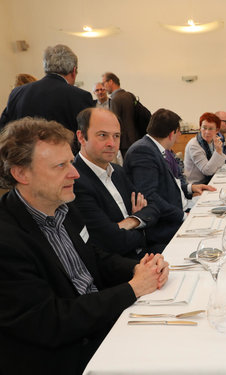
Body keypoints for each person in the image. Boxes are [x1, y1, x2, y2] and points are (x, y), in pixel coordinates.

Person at [0, 117, 169, 375]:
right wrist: (132, 289)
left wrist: (138, 267)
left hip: (98, 322)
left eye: (71, 161)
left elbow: (95, 257)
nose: (75, 173)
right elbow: (51, 321)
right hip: (66, 355)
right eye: (60, 166)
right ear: (21, 173)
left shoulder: (65, 206)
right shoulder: (7, 241)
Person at [74, 108, 167, 258]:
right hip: (120, 266)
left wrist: (131, 221)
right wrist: (141, 227)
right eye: (103, 135)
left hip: (144, 251)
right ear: (81, 137)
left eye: (116, 136)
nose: (112, 143)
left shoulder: (117, 171)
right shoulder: (75, 181)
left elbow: (153, 208)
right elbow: (112, 241)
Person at [124, 108, 215, 247]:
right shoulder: (143, 151)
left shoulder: (154, 148)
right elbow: (150, 196)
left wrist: (190, 188)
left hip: (179, 209)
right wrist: (183, 216)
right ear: (172, 133)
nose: (178, 136)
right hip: (166, 225)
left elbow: (167, 184)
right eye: (178, 133)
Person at [0, 44, 94, 132]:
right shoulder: (80, 96)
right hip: (64, 149)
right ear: (74, 71)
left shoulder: (17, 93)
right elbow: (87, 135)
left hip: (24, 149)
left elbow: (4, 130)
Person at [102, 72, 139, 156]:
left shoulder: (115, 99)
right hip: (137, 138)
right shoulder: (129, 95)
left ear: (110, 82)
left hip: (125, 142)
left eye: (104, 83)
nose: (104, 87)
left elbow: (114, 123)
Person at [184, 112, 226, 184]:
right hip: (196, 185)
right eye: (204, 128)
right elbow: (207, 171)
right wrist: (218, 151)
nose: (207, 132)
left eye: (210, 129)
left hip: (209, 181)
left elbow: (221, 164)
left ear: (217, 130)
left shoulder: (213, 141)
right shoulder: (194, 145)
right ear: (200, 128)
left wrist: (218, 151)